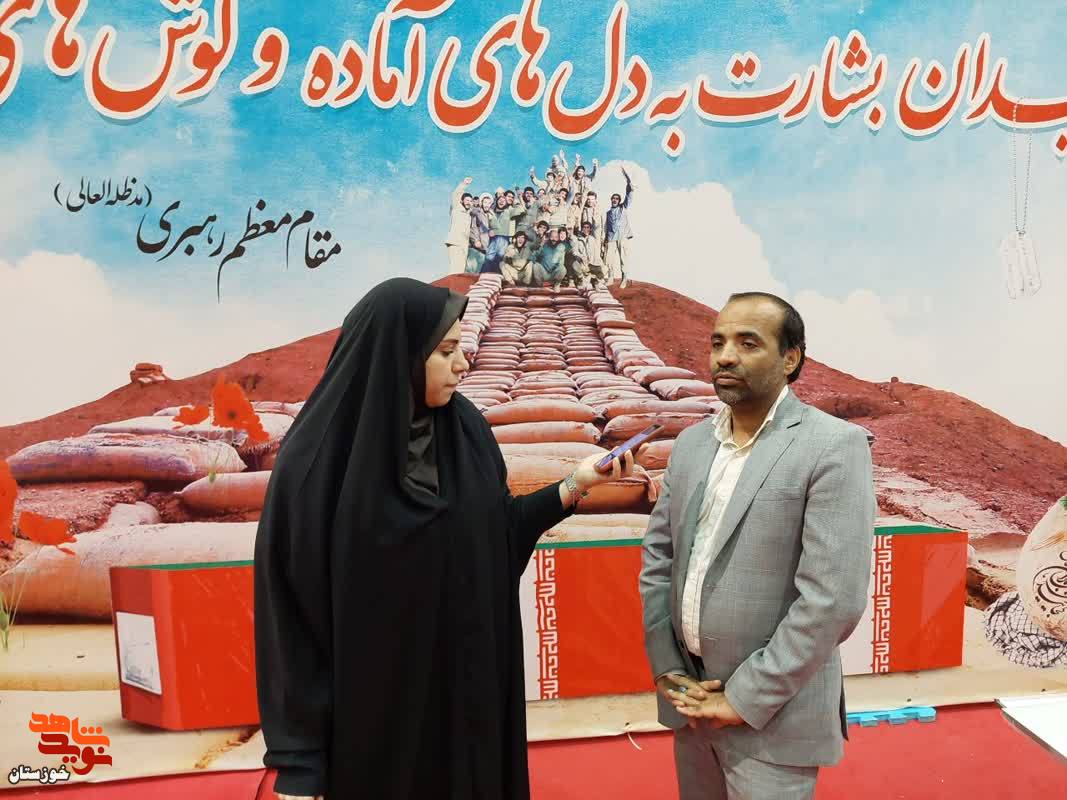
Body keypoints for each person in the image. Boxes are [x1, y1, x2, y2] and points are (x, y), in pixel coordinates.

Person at [256, 278, 635, 800]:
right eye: (446, 351)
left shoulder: (465, 433)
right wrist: (299, 762)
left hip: (469, 713)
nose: (462, 365)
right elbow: (290, 618)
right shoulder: (319, 464)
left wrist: (575, 484)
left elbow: (496, 536)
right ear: (399, 356)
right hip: (374, 735)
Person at [638, 292, 875, 800]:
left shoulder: (833, 446)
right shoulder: (691, 445)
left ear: (791, 358)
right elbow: (659, 560)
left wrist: (743, 698)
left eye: (748, 343)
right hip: (690, 701)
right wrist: (668, 667)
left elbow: (832, 598)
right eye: (718, 342)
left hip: (774, 716)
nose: (725, 356)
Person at [604, 167, 634, 288]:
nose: (615, 200)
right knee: (609, 258)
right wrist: (605, 239)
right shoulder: (608, 213)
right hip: (611, 238)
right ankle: (610, 277)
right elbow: (607, 227)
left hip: (623, 236)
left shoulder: (623, 207)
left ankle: (624, 278)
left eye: (617, 199)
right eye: (613, 198)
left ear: (619, 200)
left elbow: (629, 195)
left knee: (623, 258)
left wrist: (628, 181)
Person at [482, 190, 526, 274]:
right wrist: (489, 230)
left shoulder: (509, 211)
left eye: (504, 201)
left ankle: (497, 278)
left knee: (499, 260)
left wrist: (520, 197)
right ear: (496, 201)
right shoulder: (491, 211)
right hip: (492, 239)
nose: (501, 202)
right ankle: (483, 277)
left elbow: (523, 209)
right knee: (488, 259)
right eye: (500, 200)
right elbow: (485, 224)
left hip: (504, 239)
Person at [445, 177, 473, 275]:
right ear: (461, 201)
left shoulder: (469, 214)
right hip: (455, 242)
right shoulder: (456, 208)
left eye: (470, 201)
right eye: (467, 200)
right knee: (455, 269)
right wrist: (464, 184)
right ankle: (450, 284)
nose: (469, 202)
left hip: (464, 244)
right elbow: (455, 194)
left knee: (461, 270)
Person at [466, 193, 492, 273]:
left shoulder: (489, 215)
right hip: (476, 247)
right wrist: (476, 240)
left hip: (484, 249)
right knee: (470, 272)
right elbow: (473, 227)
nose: (487, 205)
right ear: (481, 203)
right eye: (485, 202)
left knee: (478, 273)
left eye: (489, 203)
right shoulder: (478, 212)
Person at [575, 221, 602, 287]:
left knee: (601, 275)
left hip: (591, 262)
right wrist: (582, 257)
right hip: (582, 261)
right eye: (584, 227)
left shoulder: (592, 239)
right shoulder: (578, 239)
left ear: (590, 229)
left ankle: (593, 278)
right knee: (576, 265)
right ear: (582, 229)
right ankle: (580, 278)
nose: (586, 229)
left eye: (588, 227)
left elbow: (595, 253)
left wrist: (591, 262)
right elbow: (575, 252)